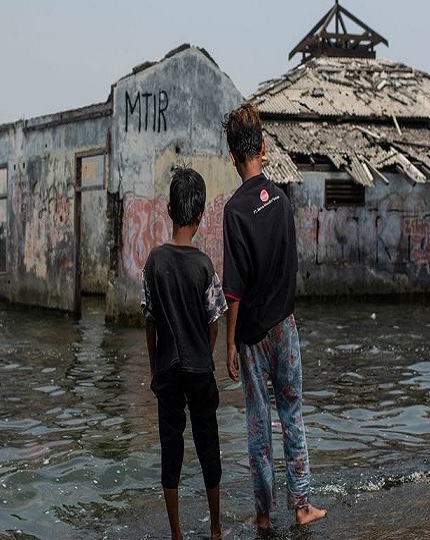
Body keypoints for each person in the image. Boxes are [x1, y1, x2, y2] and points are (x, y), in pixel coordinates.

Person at [221, 103, 326, 529]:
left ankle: (263, 515)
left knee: (258, 421)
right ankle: (301, 507)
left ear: (232, 156)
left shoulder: (233, 211)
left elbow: (233, 288)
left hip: (250, 335)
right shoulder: (281, 201)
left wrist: (230, 342)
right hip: (284, 325)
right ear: (264, 148)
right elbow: (290, 267)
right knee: (292, 413)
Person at [140, 166, 228, 540]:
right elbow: (214, 321)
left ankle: (176, 533)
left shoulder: (154, 262)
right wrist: (205, 355)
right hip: (199, 369)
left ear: (169, 210)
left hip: (167, 370)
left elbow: (149, 320)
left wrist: (154, 366)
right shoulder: (204, 265)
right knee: (208, 447)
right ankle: (215, 528)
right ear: (200, 215)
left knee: (170, 451)